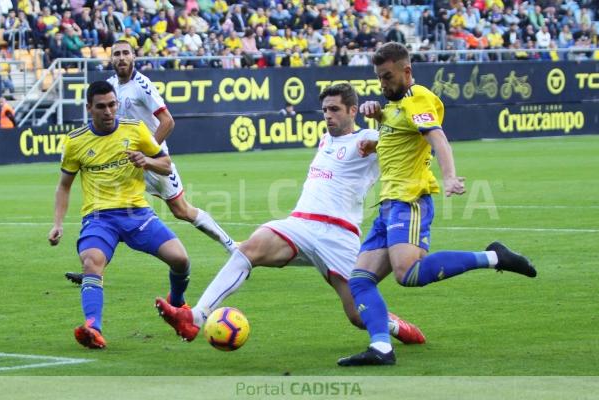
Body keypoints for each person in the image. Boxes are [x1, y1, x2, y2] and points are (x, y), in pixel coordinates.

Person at [154, 83, 426, 347]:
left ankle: (395, 326)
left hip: (338, 236)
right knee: (250, 250)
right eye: (325, 110)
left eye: (335, 109)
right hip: (300, 225)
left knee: (357, 315)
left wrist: (381, 119)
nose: (328, 116)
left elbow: (407, 138)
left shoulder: (366, 140)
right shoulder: (326, 139)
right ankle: (194, 318)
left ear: (353, 110)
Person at [336, 42, 537, 367]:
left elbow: (437, 138)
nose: (383, 84)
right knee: (359, 280)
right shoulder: (393, 106)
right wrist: (372, 139)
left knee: (408, 273)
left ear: (407, 71)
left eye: (387, 77)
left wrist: (451, 177)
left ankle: (493, 257)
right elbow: (396, 138)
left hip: (410, 199)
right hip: (388, 205)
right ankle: (381, 348)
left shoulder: (420, 100)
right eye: (379, 78)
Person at [64, 40, 236, 285]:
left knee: (182, 210)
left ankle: (231, 246)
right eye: (117, 54)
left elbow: (167, 121)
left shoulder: (142, 85)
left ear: (134, 56)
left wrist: (147, 153)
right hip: (124, 164)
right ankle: (92, 270)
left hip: (152, 162)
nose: (121, 58)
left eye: (126, 53)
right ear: (111, 59)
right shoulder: (110, 86)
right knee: (107, 208)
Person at [48, 81, 192, 349]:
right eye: (101, 106)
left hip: (137, 213)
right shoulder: (75, 142)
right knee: (91, 262)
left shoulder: (135, 129)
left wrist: (146, 161)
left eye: (112, 105)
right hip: (100, 218)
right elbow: (64, 186)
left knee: (181, 259)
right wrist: (57, 224)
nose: (108, 111)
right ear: (89, 107)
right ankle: (93, 327)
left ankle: (176, 305)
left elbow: (166, 165)